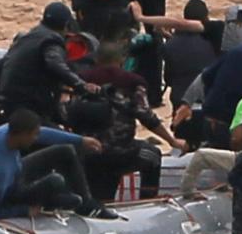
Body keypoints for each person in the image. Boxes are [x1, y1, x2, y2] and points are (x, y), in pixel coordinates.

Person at [74, 41, 185, 201]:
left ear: (96, 60)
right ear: (123, 60)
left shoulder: (80, 80)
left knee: (99, 186)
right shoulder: (132, 81)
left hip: (86, 150)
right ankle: (148, 201)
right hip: (121, 150)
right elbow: (146, 116)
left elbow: (65, 111)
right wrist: (172, 141)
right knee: (153, 155)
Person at [0, 108, 113, 221]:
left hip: (16, 173)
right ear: (22, 135)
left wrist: (80, 140)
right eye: (34, 135)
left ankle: (87, 205)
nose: (37, 139)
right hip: (10, 194)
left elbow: (45, 134)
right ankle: (53, 201)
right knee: (56, 181)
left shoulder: (8, 131)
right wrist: (23, 211)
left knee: (66, 150)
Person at [0, 3, 99, 126]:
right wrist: (82, 86)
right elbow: (55, 64)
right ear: (66, 26)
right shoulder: (52, 41)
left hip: (3, 109)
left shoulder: (25, 40)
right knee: (72, 143)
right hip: (27, 113)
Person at [162, 0, 218, 109]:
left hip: (180, 99)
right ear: (206, 18)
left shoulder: (170, 45)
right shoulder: (214, 41)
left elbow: (168, 79)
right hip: (208, 99)